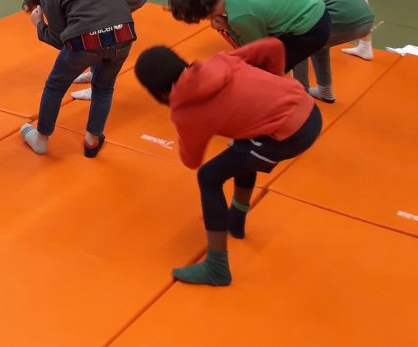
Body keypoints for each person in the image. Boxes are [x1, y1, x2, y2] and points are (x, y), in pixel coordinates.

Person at [133, 39, 322, 286]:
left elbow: (191, 160)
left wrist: (185, 128)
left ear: (158, 92)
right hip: (308, 108)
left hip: (290, 134)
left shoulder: (185, 111)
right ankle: (236, 219)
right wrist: (272, 86)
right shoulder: (221, 61)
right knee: (241, 149)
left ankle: (216, 267)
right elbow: (274, 46)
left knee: (208, 176)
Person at [15, 0, 139, 158]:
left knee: (55, 84)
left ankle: (41, 139)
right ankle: (92, 139)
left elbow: (58, 38)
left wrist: (38, 25)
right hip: (123, 31)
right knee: (104, 86)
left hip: (86, 40)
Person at [250, 0, 375, 103]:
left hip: (346, 19)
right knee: (318, 39)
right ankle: (325, 90)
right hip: (364, 15)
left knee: (299, 40)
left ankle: (301, 92)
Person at [168, 0, 331, 74]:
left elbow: (260, 50)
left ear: (200, 15)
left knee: (266, 69)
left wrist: (228, 27)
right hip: (317, 8)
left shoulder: (239, 16)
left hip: (312, 29)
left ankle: (278, 106)